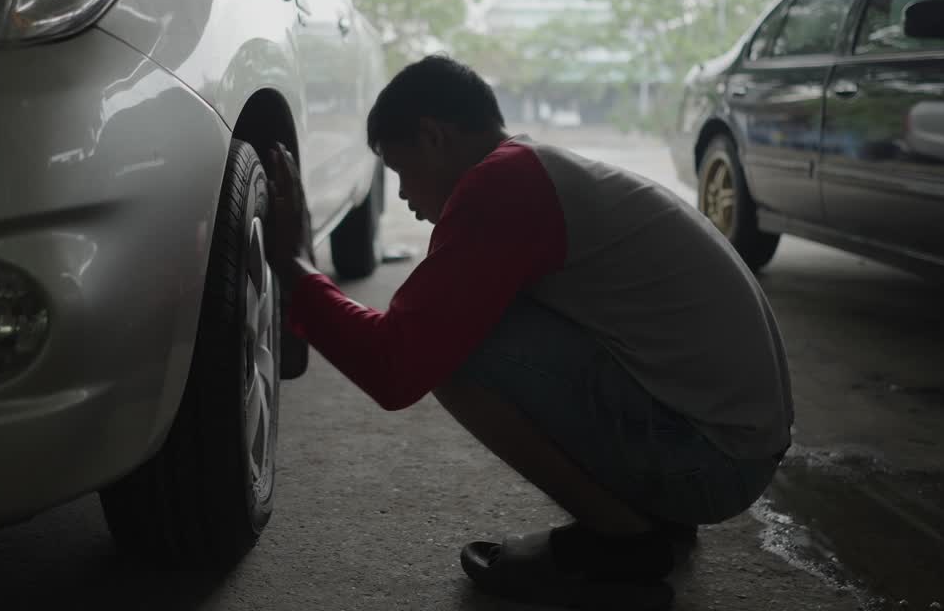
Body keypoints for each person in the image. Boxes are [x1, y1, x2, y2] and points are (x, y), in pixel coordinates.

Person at [265, 55, 792, 610]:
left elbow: (394, 366)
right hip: (732, 447)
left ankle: (624, 544)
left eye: (400, 171)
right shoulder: (534, 170)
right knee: (460, 322)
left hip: (713, 463)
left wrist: (297, 269)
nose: (401, 196)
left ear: (433, 136)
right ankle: (650, 518)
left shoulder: (501, 186)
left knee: (451, 354)